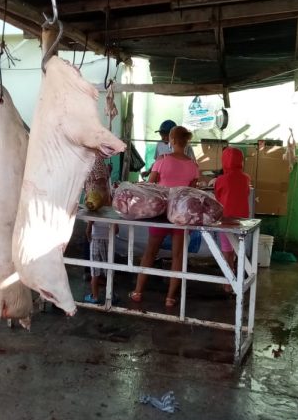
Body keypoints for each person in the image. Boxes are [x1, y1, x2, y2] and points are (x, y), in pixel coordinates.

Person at [130, 126, 200, 308]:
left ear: (172, 140)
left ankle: (138, 292)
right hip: (181, 215)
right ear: (185, 142)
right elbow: (192, 191)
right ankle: (170, 297)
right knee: (177, 257)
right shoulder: (193, 166)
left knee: (150, 253)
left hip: (162, 214)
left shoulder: (162, 161)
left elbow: (149, 185)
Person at [213, 147, 251, 293]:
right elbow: (246, 193)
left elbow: (217, 197)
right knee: (235, 249)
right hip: (242, 219)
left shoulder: (221, 180)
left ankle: (229, 281)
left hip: (226, 218)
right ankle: (234, 275)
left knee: (226, 251)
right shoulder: (246, 178)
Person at [84, 219, 113, 304]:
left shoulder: (94, 215)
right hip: (108, 242)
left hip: (95, 241)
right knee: (109, 271)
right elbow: (116, 230)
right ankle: (111, 296)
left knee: (94, 272)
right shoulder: (112, 216)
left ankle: (95, 297)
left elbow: (88, 231)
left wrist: (90, 240)